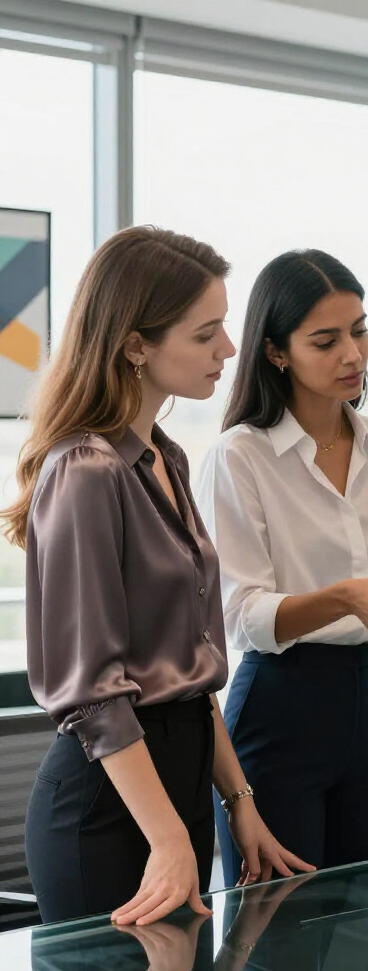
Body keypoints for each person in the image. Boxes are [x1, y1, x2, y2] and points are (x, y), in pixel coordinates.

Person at [4, 226, 311, 927]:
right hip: (111, 810)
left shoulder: (165, 458)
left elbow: (189, 668)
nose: (228, 352)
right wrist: (168, 835)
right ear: (136, 344)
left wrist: (239, 803)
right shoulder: (85, 472)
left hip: (174, 793)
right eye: (206, 334)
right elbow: (92, 694)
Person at [196, 249, 368, 883]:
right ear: (277, 352)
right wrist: (349, 599)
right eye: (326, 341)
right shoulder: (239, 457)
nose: (353, 354)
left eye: (359, 330)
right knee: (276, 937)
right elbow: (242, 617)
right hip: (282, 704)